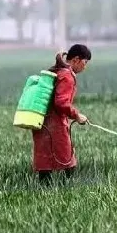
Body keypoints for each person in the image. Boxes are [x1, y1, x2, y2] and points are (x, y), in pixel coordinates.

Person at [32, 44, 91, 185]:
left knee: (45, 162)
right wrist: (77, 115)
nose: (85, 67)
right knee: (68, 161)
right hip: (55, 125)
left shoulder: (58, 71)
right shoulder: (67, 76)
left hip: (42, 122)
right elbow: (61, 103)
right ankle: (67, 190)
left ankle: (44, 193)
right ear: (76, 60)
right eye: (85, 62)